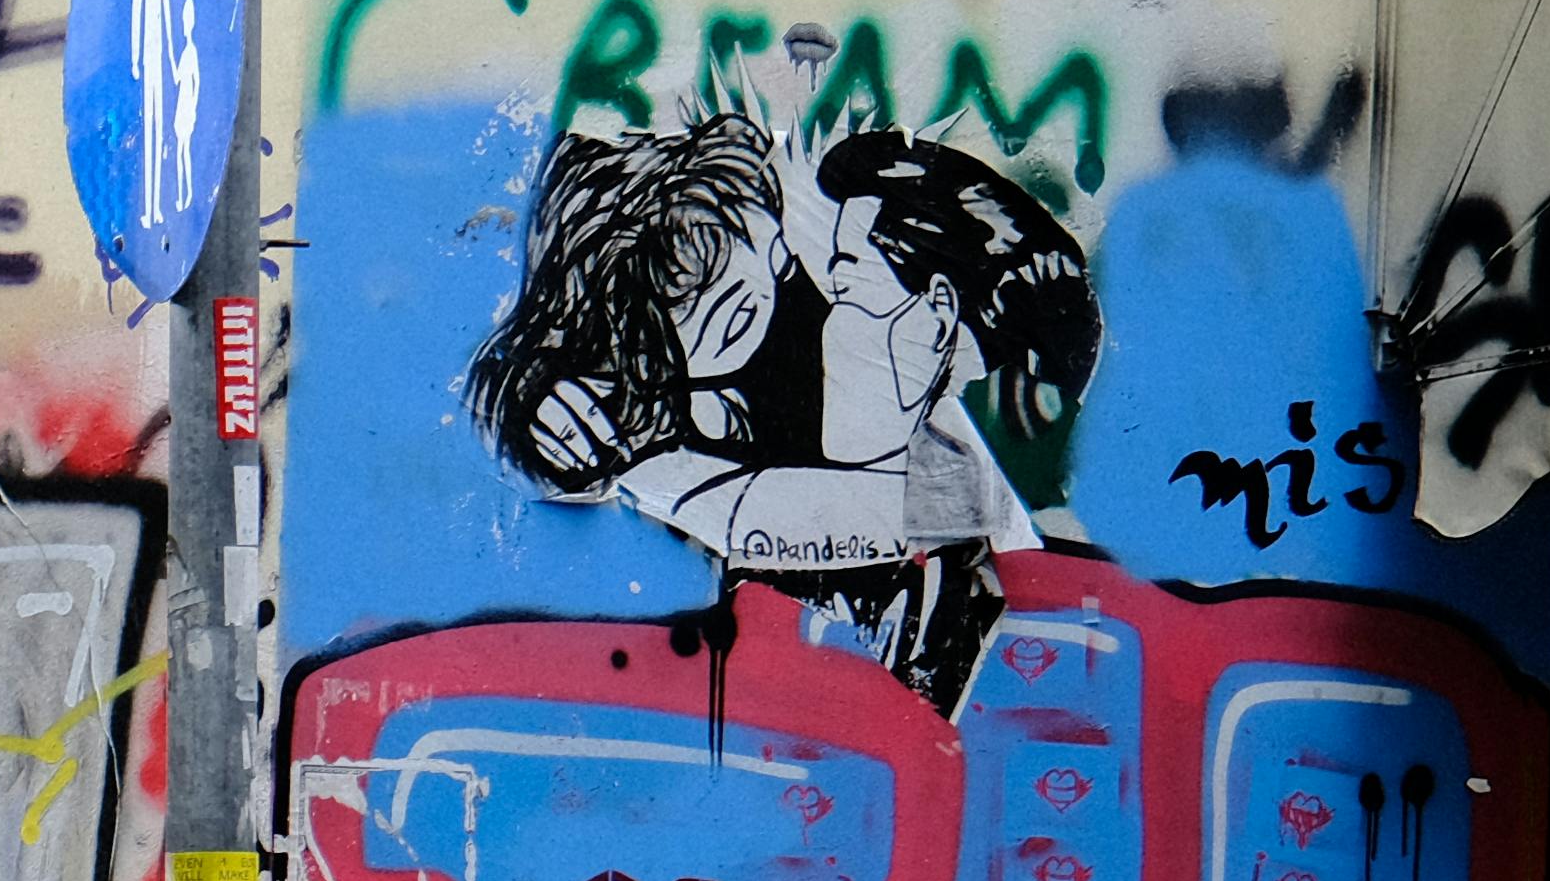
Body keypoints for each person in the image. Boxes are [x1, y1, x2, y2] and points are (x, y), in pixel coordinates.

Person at [463, 105, 1098, 712]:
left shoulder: (925, 437)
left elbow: (797, 515)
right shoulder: (664, 369)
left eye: (837, 278)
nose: (768, 279)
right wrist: (523, 411)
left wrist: (639, 477)